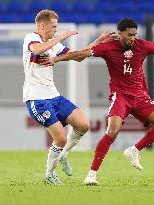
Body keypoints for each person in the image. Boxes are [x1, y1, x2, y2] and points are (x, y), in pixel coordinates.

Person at [41, 18, 154, 185]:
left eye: (135, 34)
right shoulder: (108, 47)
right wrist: (57, 58)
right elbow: (81, 53)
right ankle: (91, 175)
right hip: (120, 96)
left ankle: (134, 150)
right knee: (112, 131)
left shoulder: (142, 45)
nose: (133, 38)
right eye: (129, 35)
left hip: (140, 97)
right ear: (120, 33)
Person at [22, 9, 115, 185]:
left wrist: (97, 42)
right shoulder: (31, 38)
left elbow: (78, 57)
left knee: (83, 124)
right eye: (53, 26)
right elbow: (38, 49)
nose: (55, 30)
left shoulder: (53, 44)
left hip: (54, 96)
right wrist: (60, 38)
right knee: (61, 138)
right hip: (37, 99)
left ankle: (63, 154)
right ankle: (49, 174)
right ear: (42, 25)